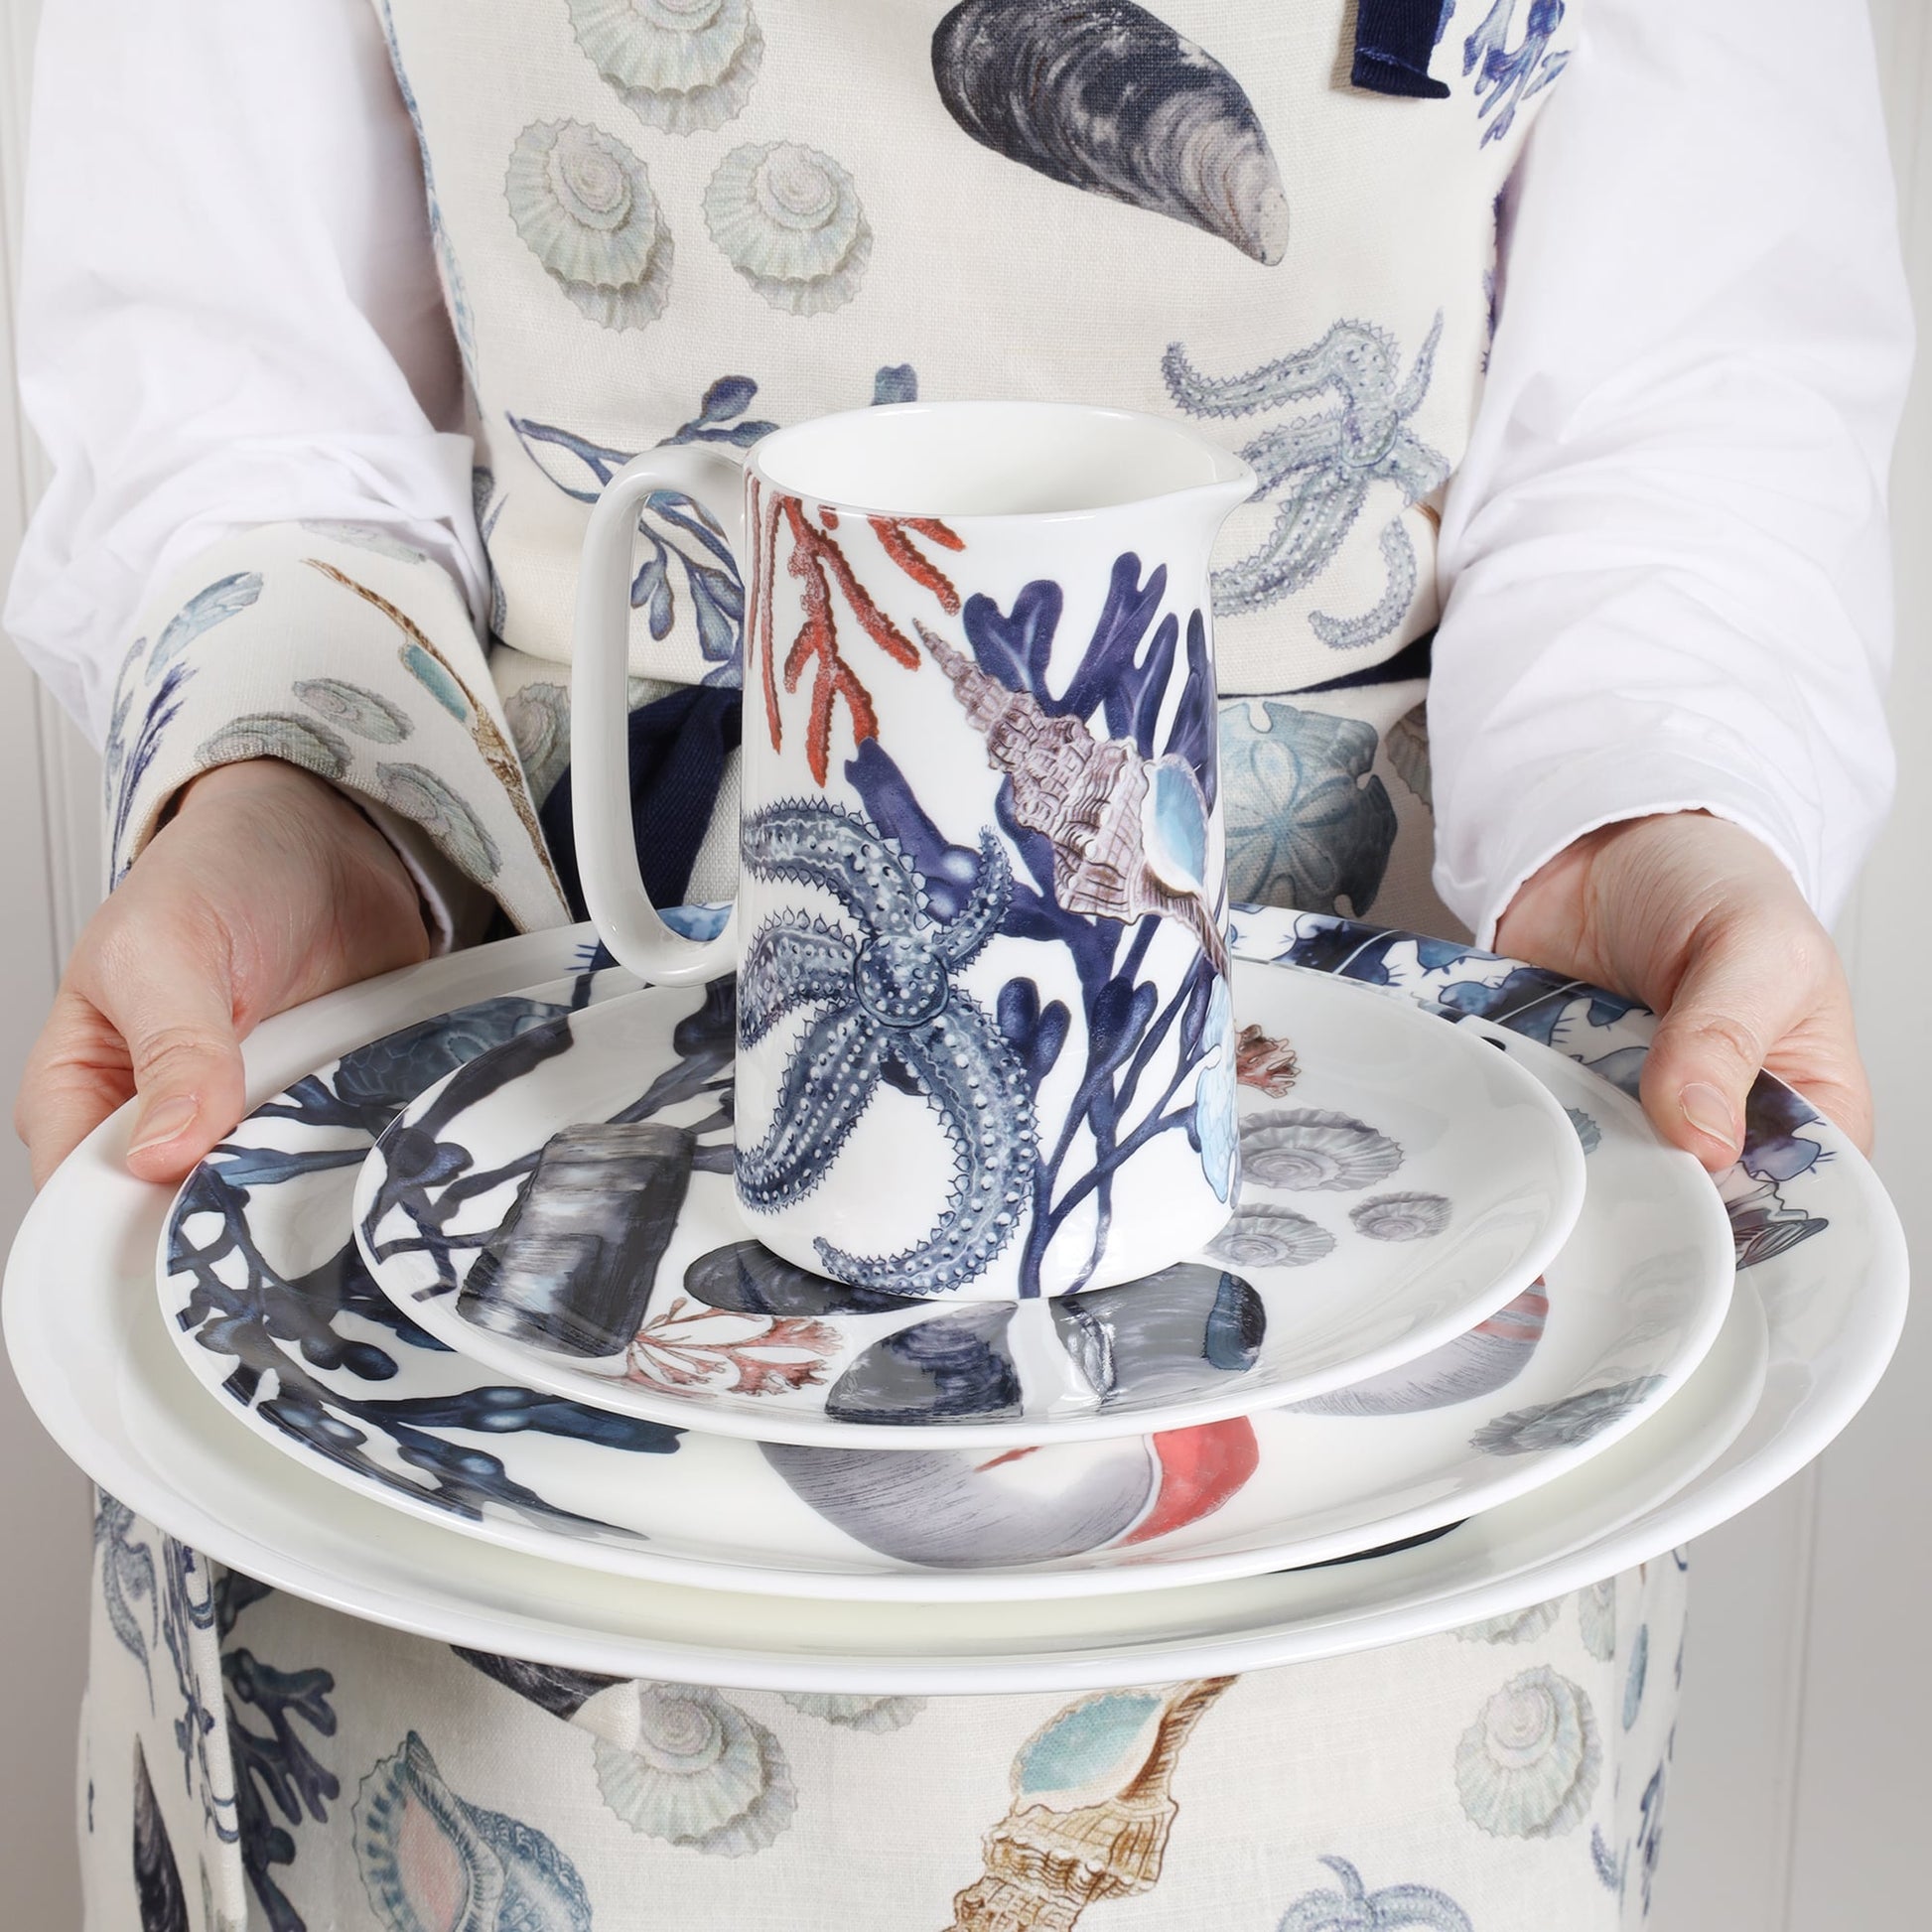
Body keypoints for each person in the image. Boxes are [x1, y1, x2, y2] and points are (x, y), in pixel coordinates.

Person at [4, 1, 1907, 1926]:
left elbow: (1693, 382)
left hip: (1386, 1274)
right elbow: (224, 367)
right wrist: (291, 773)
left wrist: (1643, 809)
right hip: (518, 1097)